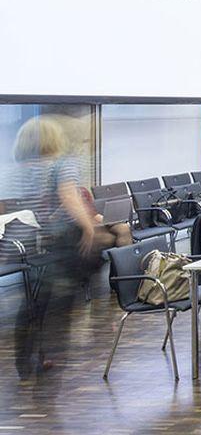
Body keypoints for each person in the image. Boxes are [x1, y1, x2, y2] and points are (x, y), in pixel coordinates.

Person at [2, 116, 107, 377]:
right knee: (56, 306)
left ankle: (25, 363)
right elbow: (69, 195)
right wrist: (87, 226)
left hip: (21, 248)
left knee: (30, 306)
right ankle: (49, 355)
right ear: (54, 140)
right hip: (52, 247)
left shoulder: (8, 171)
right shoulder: (62, 164)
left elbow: (3, 208)